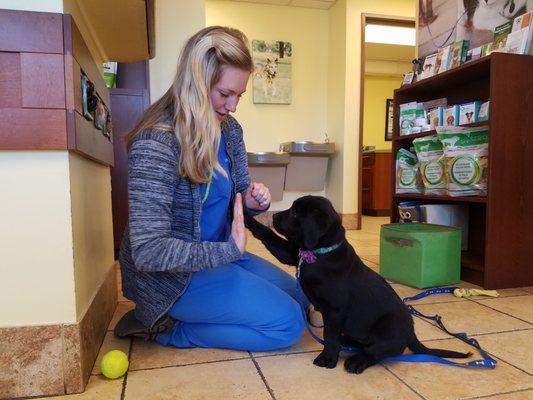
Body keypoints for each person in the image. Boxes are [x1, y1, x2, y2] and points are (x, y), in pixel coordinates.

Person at [115, 26, 311, 352]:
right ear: (195, 82)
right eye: (224, 94)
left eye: (239, 96)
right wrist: (226, 252)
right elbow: (149, 252)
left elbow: (238, 193)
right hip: (174, 278)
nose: (233, 106)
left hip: (219, 258)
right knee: (288, 324)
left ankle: (203, 312)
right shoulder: (157, 142)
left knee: (302, 298)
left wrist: (252, 200)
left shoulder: (230, 130)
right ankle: (170, 329)